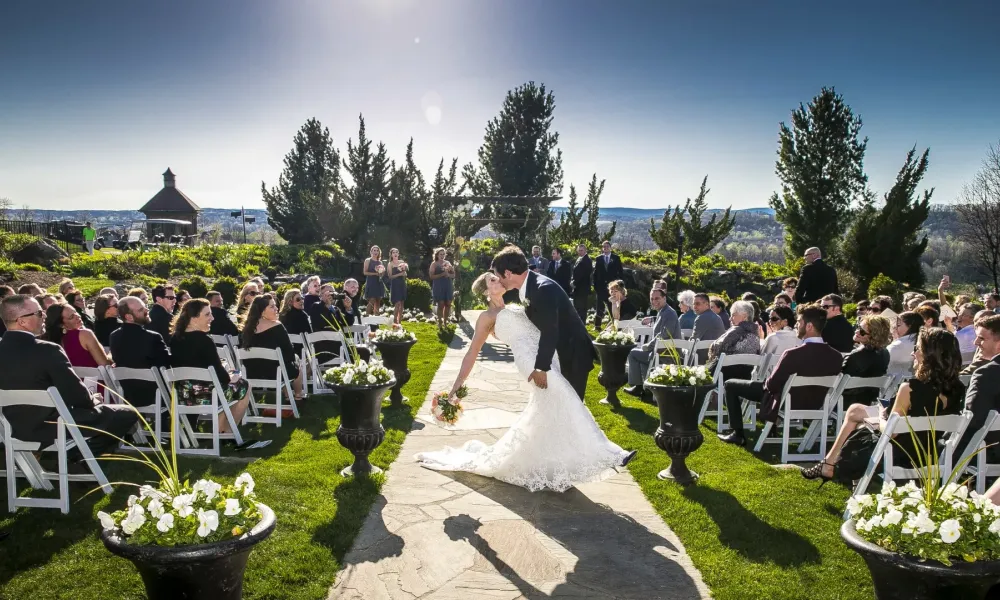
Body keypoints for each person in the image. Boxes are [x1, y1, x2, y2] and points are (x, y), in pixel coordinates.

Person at [414, 271, 635, 492]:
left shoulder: (515, 306)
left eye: (498, 277)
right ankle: (611, 454)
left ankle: (548, 462)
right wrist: (455, 387)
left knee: (548, 411)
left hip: (548, 357)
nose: (499, 280)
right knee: (566, 397)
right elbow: (472, 352)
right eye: (493, 280)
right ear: (485, 291)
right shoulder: (487, 317)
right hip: (529, 361)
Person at [803, 327, 965, 483]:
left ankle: (829, 465)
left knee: (859, 421)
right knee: (856, 411)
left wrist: (881, 415)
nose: (912, 353)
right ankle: (829, 464)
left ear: (929, 355)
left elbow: (891, 433)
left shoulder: (909, 389)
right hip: (927, 452)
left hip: (897, 454)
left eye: (917, 348)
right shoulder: (958, 388)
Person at [0, 295, 136, 458]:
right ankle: (79, 457)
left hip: (9, 427)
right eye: (39, 313)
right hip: (52, 426)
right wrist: (92, 400)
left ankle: (68, 457)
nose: (43, 317)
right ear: (22, 321)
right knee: (127, 413)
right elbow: (76, 395)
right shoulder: (47, 350)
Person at [718, 305, 843, 446]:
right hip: (816, 403)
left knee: (730, 385)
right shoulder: (837, 357)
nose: (796, 326)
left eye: (799, 322)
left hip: (785, 402)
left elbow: (772, 385)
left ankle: (737, 434)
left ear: (809, 326)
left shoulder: (793, 354)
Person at [491, 245, 597, 400]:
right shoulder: (530, 286)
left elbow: (549, 331)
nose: (498, 281)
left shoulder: (542, 288)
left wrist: (541, 368)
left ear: (507, 273)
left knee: (572, 407)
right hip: (562, 352)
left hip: (573, 354)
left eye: (497, 276)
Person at [169, 299, 251, 435]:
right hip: (207, 395)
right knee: (244, 385)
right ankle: (227, 432)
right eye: (207, 315)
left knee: (226, 387)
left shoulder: (174, 339)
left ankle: (220, 430)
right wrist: (232, 376)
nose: (212, 318)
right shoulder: (205, 340)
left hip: (183, 395)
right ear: (193, 318)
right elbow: (221, 377)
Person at [109, 296, 171, 409]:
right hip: (156, 396)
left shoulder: (114, 336)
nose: (147, 311)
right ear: (129, 317)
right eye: (141, 310)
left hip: (128, 396)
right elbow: (166, 367)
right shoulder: (152, 337)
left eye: (145, 307)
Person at [955, 314, 1000, 464]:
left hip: (986, 452)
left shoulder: (986, 374)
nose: (975, 343)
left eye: (982, 338)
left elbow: (971, 419)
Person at [241, 295, 304, 401]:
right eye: (272, 307)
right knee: (295, 359)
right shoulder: (277, 326)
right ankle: (298, 395)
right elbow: (289, 353)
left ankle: (288, 395)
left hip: (252, 373)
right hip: (275, 374)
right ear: (262, 311)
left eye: (275, 306)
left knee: (283, 363)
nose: (276, 309)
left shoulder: (246, 329)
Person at [625, 287, 680, 394]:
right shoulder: (663, 311)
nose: (654, 301)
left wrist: (648, 346)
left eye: (657, 298)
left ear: (664, 298)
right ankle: (648, 389)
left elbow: (663, 335)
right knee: (642, 355)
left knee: (633, 353)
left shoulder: (669, 313)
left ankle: (638, 386)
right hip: (660, 352)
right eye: (652, 299)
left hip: (667, 356)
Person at [840, 315, 892, 407]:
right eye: (858, 327)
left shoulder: (854, 356)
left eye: (862, 332)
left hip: (845, 404)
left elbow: (839, 385)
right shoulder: (885, 354)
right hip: (869, 403)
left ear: (873, 336)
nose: (857, 331)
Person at [41, 302, 109, 368]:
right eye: (71, 317)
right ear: (61, 325)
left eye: (75, 312)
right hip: (97, 379)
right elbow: (106, 366)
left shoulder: (51, 342)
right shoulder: (85, 334)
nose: (78, 316)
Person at [705, 300, 761, 380]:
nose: (730, 319)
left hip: (724, 376)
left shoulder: (736, 330)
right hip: (746, 377)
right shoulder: (755, 333)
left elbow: (717, 349)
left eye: (733, 315)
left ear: (744, 316)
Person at [592, 240, 623, 330]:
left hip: (612, 288)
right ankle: (597, 326)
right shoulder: (599, 258)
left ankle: (614, 325)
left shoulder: (616, 258)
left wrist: (618, 286)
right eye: (604, 247)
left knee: (612, 306)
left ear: (610, 248)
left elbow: (620, 273)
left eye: (607, 247)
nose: (605, 248)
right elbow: (595, 273)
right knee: (599, 306)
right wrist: (595, 286)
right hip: (601, 287)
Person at [429, 248, 455, 330]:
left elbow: (453, 275)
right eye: (441, 254)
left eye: (443, 254)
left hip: (448, 285)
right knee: (441, 304)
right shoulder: (434, 264)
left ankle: (445, 322)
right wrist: (442, 274)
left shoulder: (447, 263)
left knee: (448, 304)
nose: (442, 256)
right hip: (438, 286)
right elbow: (431, 276)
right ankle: (440, 322)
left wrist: (448, 275)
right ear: (437, 255)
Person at [570, 244, 592, 323]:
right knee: (577, 307)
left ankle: (582, 324)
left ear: (585, 251)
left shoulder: (587, 260)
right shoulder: (579, 258)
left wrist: (574, 282)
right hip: (577, 288)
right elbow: (575, 272)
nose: (580, 252)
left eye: (581, 250)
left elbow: (583, 274)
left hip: (582, 288)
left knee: (582, 308)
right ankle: (578, 323)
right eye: (579, 250)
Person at [387, 248, 408, 325]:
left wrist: (404, 274)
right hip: (395, 285)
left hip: (402, 284)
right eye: (393, 252)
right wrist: (399, 274)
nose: (395, 254)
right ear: (391, 254)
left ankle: (400, 322)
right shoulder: (390, 264)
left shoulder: (402, 262)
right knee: (397, 303)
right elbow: (390, 276)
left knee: (402, 303)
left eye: (396, 252)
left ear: (398, 254)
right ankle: (395, 322)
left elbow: (405, 274)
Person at [363, 245, 386, 316]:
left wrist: (381, 273)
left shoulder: (380, 262)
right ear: (371, 252)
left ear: (379, 252)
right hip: (371, 282)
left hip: (378, 283)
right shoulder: (368, 260)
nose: (376, 252)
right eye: (374, 250)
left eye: (377, 250)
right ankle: (366, 317)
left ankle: (376, 320)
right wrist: (375, 273)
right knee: (372, 300)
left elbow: (381, 275)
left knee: (378, 301)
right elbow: (365, 272)